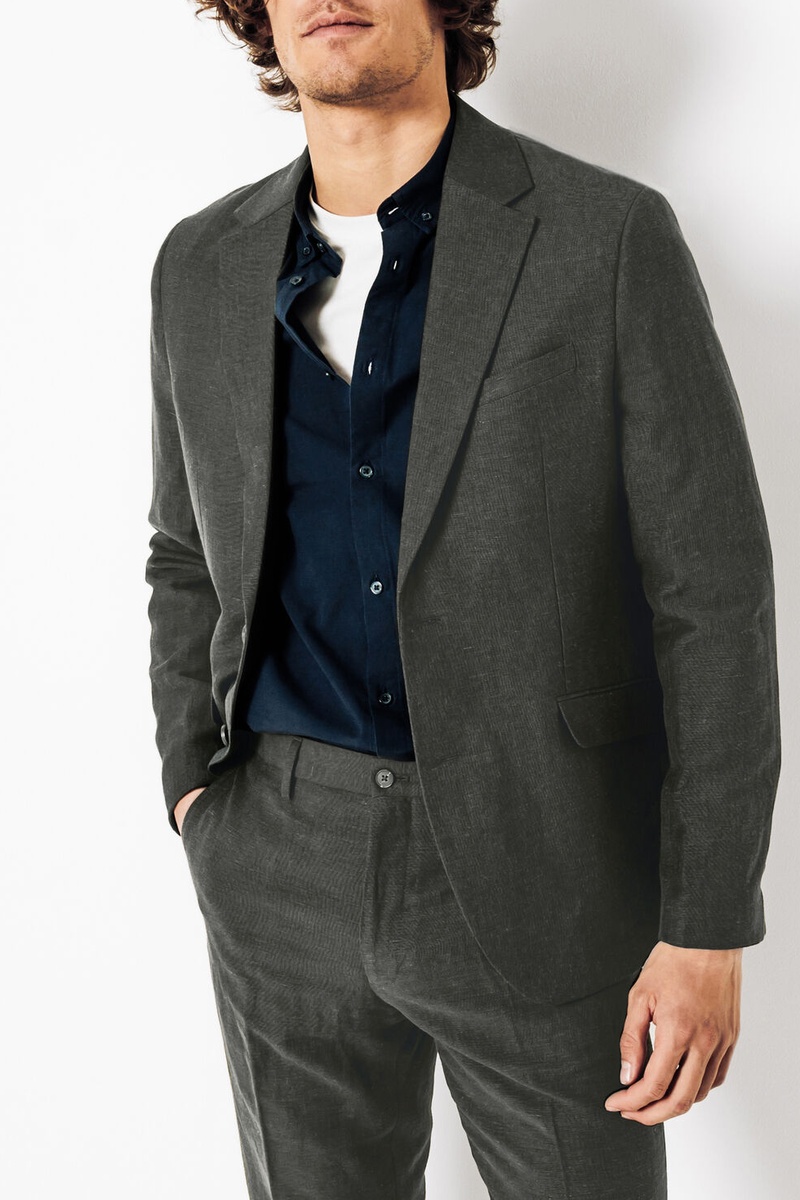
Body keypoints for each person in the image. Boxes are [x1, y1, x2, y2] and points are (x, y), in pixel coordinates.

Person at [144, 2, 781, 1196]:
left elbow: (712, 599)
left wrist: (705, 921)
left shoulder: (604, 236)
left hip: (546, 850)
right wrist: (196, 788)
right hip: (278, 858)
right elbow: (183, 549)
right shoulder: (200, 261)